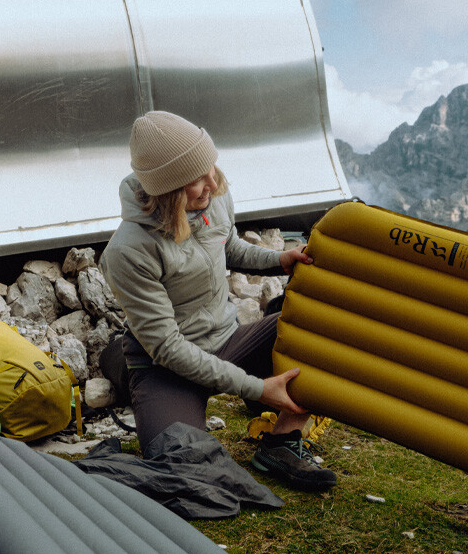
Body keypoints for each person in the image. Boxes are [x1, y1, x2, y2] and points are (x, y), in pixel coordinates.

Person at [99, 110, 336, 492]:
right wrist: (256, 389)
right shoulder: (128, 251)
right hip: (167, 366)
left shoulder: (213, 194)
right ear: (168, 187)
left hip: (228, 340)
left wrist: (279, 260)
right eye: (198, 177)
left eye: (212, 167)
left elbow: (230, 247)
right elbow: (168, 348)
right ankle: (124, 368)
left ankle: (281, 442)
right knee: (185, 469)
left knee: (319, 332)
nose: (214, 182)